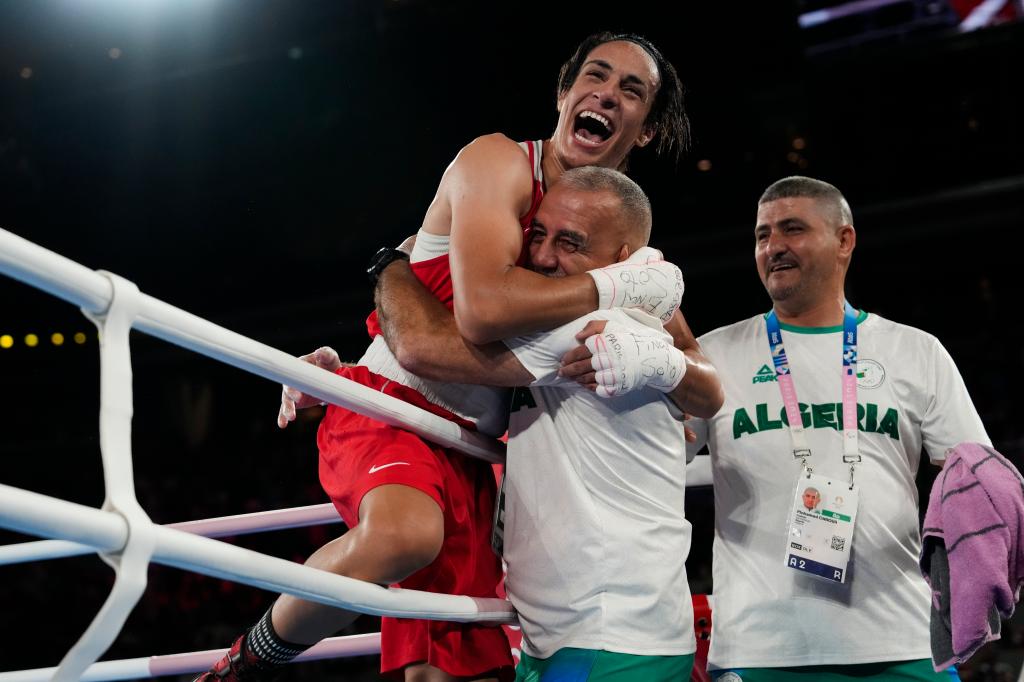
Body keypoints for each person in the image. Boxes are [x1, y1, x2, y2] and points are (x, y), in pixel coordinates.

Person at [196, 31, 718, 682]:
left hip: (477, 458)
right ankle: (241, 665)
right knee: (404, 538)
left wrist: (663, 385)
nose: (606, 95)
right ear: (564, 93)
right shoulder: (497, 164)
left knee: (447, 672)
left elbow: (698, 373)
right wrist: (615, 291)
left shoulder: (616, 237)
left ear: (645, 129)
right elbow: (479, 314)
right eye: (595, 75)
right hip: (396, 411)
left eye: (630, 90)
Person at [582, 175, 987, 681]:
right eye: (762, 235)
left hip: (901, 642)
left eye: (792, 229)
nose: (773, 247)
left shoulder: (916, 352)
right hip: (760, 650)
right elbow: (658, 457)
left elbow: (974, 483)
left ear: (844, 240)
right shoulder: (714, 357)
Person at [374, 166, 723, 681]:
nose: (540, 257)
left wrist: (391, 265)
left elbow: (418, 346)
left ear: (622, 263)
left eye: (570, 243)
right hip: (572, 635)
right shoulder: (595, 321)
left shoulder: (588, 328)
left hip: (608, 640)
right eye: (537, 234)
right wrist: (344, 373)